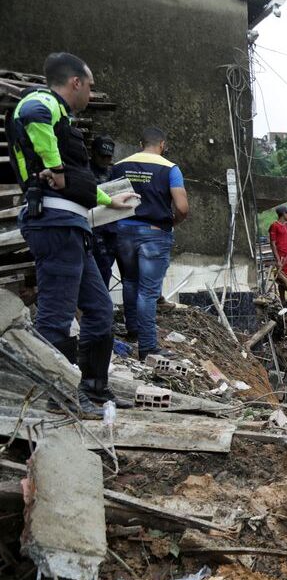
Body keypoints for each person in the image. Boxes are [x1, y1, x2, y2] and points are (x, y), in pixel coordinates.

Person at [9, 53, 140, 415]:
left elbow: (78, 185)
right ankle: (58, 397)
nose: (91, 92)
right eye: (90, 85)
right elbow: (32, 115)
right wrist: (53, 165)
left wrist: (111, 201)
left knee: (99, 310)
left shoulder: (61, 118)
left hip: (72, 228)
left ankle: (94, 389)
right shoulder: (42, 102)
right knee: (55, 316)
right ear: (76, 83)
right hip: (54, 225)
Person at [111, 127, 189, 360]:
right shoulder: (170, 168)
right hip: (154, 234)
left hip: (123, 231)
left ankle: (133, 330)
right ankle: (147, 346)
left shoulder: (119, 166)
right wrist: (172, 222)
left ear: (140, 143)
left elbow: (109, 200)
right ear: (162, 144)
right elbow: (183, 208)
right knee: (148, 291)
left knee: (130, 282)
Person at [89, 134, 119, 287]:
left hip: (110, 228)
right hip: (91, 228)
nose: (105, 160)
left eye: (108, 157)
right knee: (98, 269)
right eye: (102, 156)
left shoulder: (113, 171)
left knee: (106, 268)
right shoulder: (85, 170)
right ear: (93, 153)